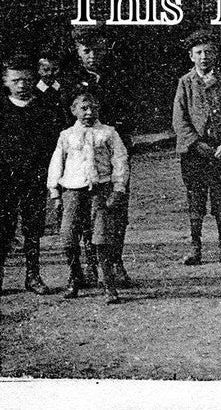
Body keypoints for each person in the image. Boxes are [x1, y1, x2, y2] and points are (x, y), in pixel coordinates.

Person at [59, 26, 135, 287]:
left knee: (116, 208)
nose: (92, 55)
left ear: (106, 47)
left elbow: (130, 110)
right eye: (86, 50)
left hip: (112, 152)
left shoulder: (118, 75)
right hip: (83, 160)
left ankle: (115, 261)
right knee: (85, 214)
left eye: (98, 49)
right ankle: (92, 264)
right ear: (78, 52)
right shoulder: (70, 81)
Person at [47, 91, 129, 303]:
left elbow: (120, 160)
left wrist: (118, 189)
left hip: (100, 190)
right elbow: (57, 162)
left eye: (93, 108)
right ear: (73, 110)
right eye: (84, 108)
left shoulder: (109, 133)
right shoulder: (66, 135)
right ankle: (75, 278)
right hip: (73, 191)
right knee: (68, 236)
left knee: (101, 238)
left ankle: (109, 285)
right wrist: (55, 192)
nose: (89, 112)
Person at [172, 30, 221, 267]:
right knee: (196, 199)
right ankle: (195, 246)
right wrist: (195, 143)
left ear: (216, 55)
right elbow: (179, 120)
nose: (204, 57)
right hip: (194, 153)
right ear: (191, 56)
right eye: (199, 53)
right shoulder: (185, 83)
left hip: (219, 152)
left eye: (209, 52)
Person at [0, 56, 64, 296]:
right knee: (4, 227)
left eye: (26, 79)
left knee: (33, 228)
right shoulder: (3, 108)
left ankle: (33, 276)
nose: (22, 85)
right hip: (5, 179)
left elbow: (54, 144)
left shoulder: (44, 108)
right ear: (6, 81)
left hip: (34, 178)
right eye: (15, 80)